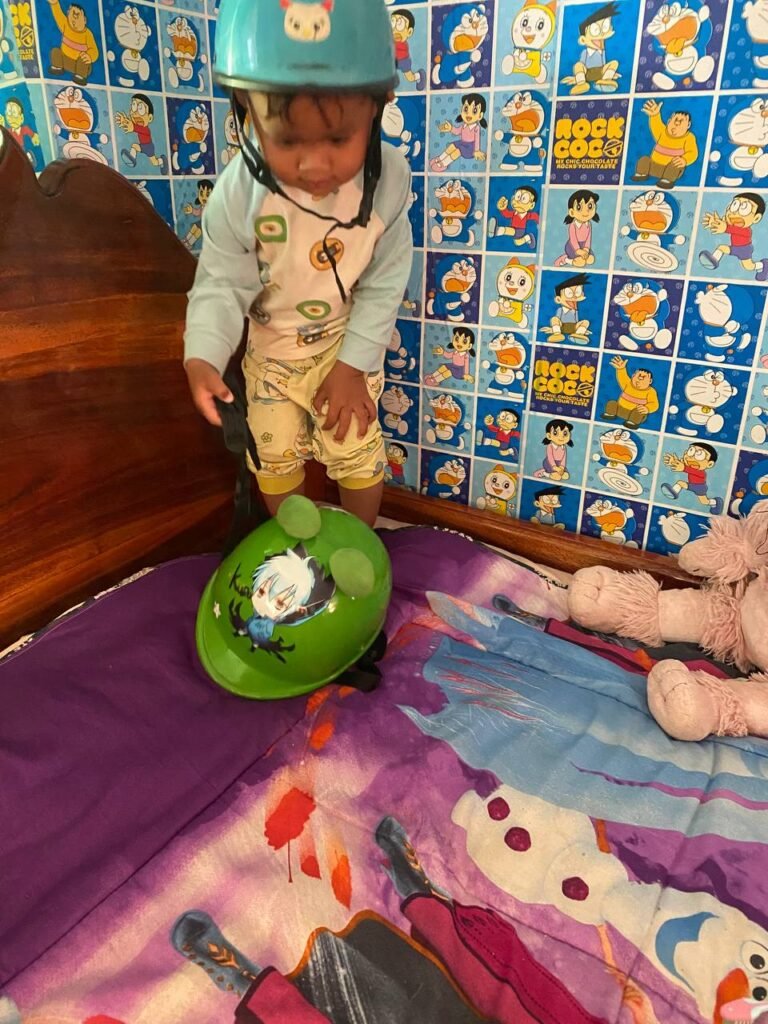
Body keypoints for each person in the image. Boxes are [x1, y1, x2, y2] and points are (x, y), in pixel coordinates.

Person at [183, 0, 412, 528]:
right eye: (287, 140)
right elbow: (221, 282)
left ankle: (363, 543)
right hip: (270, 351)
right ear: (245, 108)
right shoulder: (238, 196)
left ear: (379, 104)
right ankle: (297, 551)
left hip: (342, 344)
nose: (313, 164)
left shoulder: (387, 182)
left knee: (355, 445)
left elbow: (384, 282)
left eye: (337, 138)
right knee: (274, 454)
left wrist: (353, 367)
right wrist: (203, 355)